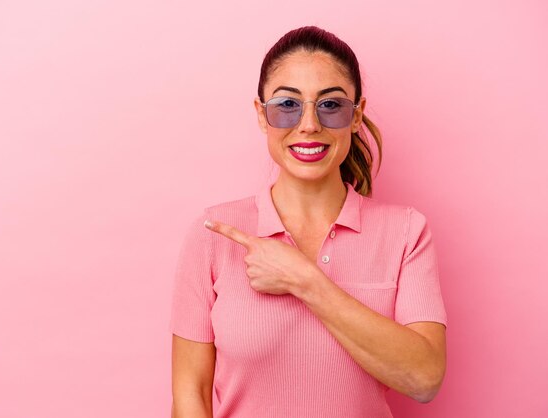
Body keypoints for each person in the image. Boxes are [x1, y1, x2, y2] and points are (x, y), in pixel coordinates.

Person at [170, 25, 447, 418]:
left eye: (330, 105)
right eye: (287, 105)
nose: (309, 125)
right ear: (262, 115)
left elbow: (424, 379)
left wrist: (304, 280)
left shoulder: (405, 232)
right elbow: (190, 396)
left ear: (356, 116)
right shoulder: (214, 234)